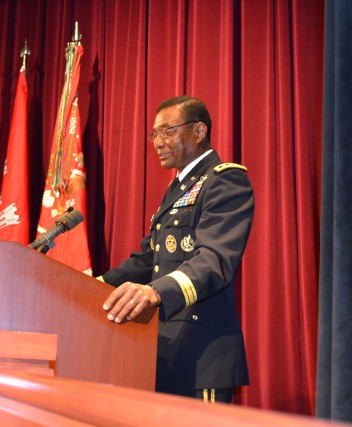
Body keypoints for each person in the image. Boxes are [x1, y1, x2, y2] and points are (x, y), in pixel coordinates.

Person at [100, 96, 254, 404]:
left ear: (198, 132)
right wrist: (91, 284)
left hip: (203, 355)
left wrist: (155, 292)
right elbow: (149, 259)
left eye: (167, 131)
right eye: (154, 134)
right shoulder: (178, 188)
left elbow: (214, 261)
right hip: (166, 351)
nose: (157, 141)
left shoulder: (226, 180)